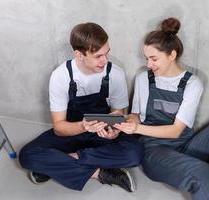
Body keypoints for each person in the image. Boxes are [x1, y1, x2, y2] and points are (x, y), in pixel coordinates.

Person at [114, 17, 209, 199]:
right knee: (200, 170)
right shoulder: (144, 79)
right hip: (155, 151)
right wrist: (126, 121)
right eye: (146, 59)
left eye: (154, 59)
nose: (149, 64)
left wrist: (136, 128)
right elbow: (136, 115)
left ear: (172, 55)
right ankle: (206, 180)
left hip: (187, 145)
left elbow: (176, 131)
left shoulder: (192, 83)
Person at [19, 22, 143, 192]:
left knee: (134, 153)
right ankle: (100, 173)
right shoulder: (61, 76)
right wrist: (83, 126)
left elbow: (119, 114)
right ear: (79, 54)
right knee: (27, 156)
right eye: (98, 56)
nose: (105, 60)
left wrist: (114, 132)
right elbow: (59, 128)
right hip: (72, 130)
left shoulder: (115, 73)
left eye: (107, 53)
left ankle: (58, 164)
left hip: (101, 133)